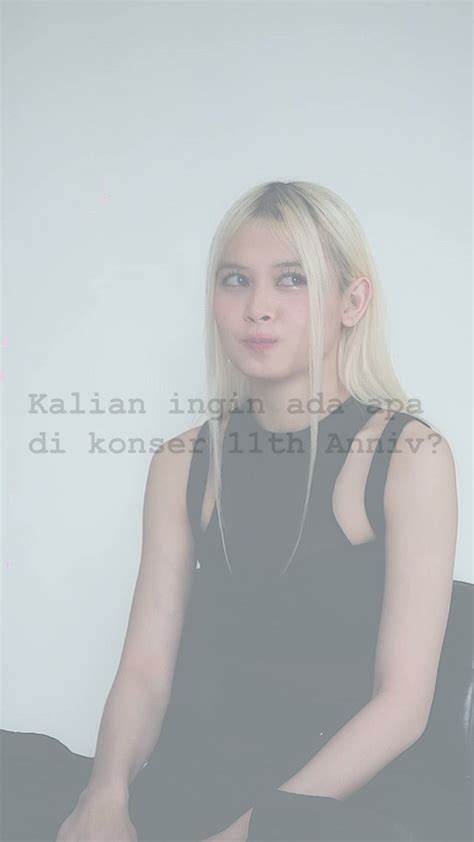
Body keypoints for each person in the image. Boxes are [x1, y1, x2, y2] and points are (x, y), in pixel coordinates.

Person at [2, 181, 466, 842]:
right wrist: (105, 793)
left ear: (352, 302)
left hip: (342, 801)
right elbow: (145, 671)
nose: (258, 308)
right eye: (236, 280)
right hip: (201, 780)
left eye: (292, 280)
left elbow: (402, 706)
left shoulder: (411, 456)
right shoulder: (181, 462)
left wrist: (253, 832)